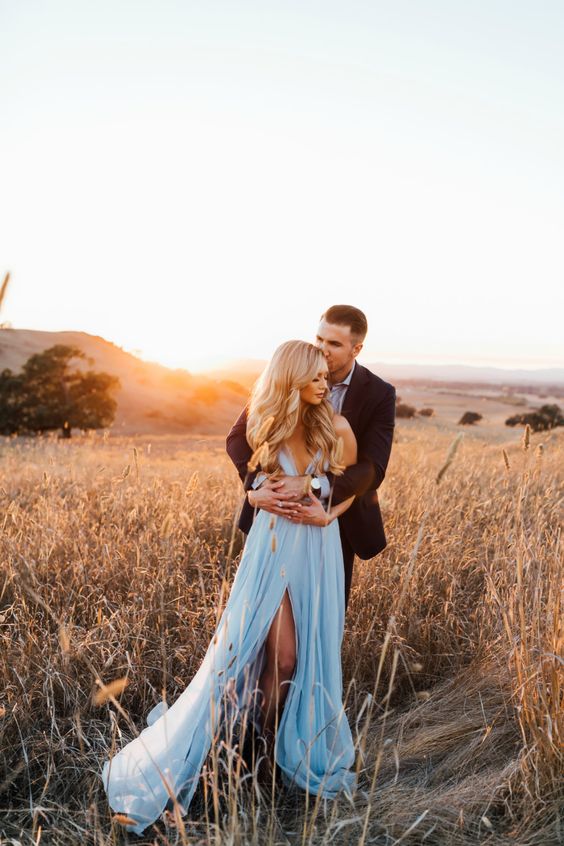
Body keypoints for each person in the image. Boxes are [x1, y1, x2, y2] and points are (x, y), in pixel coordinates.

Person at [101, 340, 359, 835]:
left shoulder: (338, 427)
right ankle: (258, 764)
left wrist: (325, 505)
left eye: (327, 375)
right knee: (278, 657)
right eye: (316, 376)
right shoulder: (266, 425)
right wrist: (255, 490)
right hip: (275, 548)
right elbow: (253, 476)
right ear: (291, 378)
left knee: (305, 656)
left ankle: (270, 755)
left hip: (319, 549)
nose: (326, 383)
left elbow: (352, 494)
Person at [227, 305, 396, 612]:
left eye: (334, 344)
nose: (322, 349)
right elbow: (237, 438)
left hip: (334, 522)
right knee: (263, 614)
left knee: (321, 616)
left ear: (356, 348)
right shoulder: (288, 374)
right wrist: (258, 487)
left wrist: (311, 486)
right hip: (274, 514)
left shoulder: (379, 394)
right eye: (319, 339)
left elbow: (373, 469)